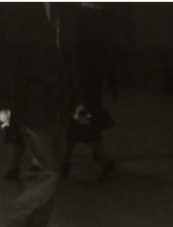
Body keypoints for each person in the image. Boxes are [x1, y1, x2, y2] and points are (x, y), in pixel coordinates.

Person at [0, 2, 87, 227]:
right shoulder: (20, 8)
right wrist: (3, 103)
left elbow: (71, 59)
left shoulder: (64, 9)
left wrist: (77, 101)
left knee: (49, 177)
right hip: (31, 105)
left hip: (58, 106)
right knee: (49, 172)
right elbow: (8, 55)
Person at [62, 2, 117, 181]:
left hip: (84, 77)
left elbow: (76, 51)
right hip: (88, 77)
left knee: (81, 121)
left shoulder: (81, 19)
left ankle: (69, 161)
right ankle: (68, 161)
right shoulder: (98, 18)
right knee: (81, 122)